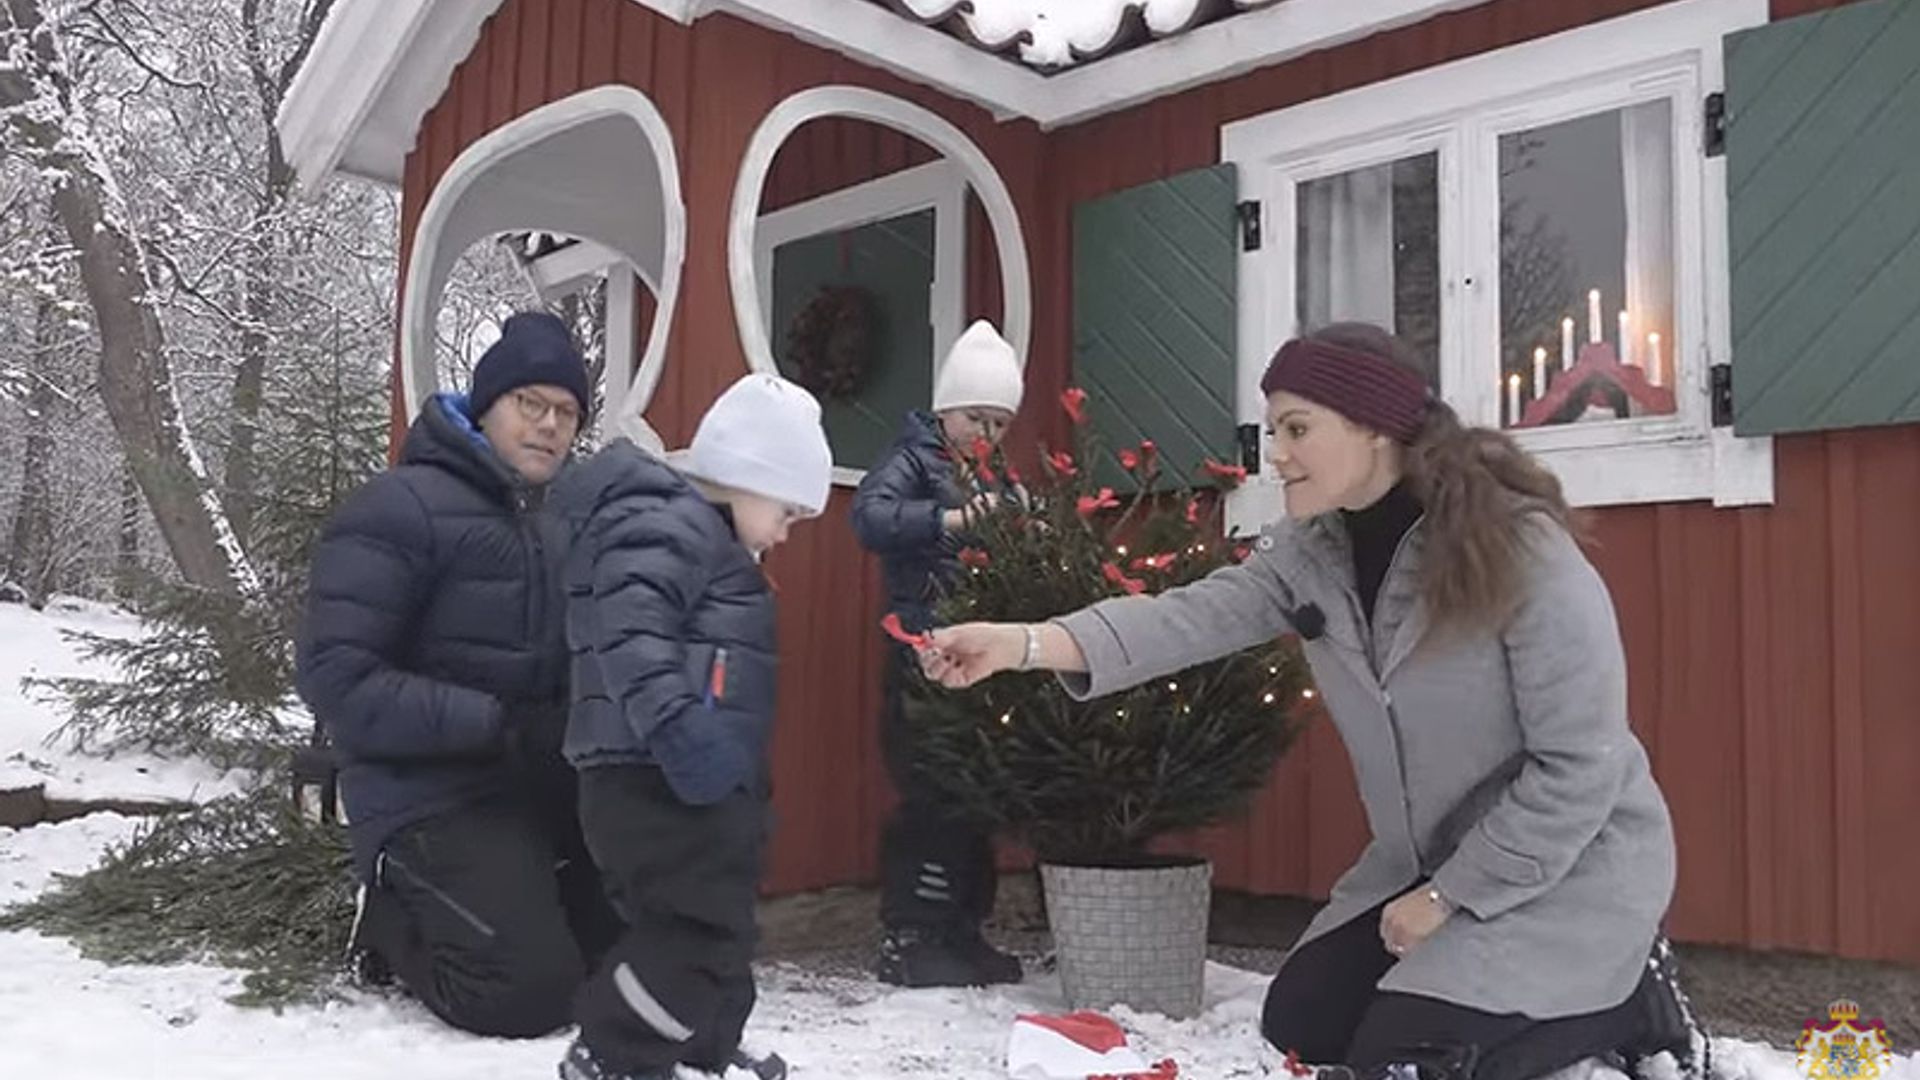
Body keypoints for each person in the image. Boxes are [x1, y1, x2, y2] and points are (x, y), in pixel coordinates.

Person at [918, 323, 1704, 1080]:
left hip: (1567, 870)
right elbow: (1182, 619)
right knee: (1304, 1021)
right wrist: (1018, 643)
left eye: (1297, 429)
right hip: (1426, 863)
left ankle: (1629, 998)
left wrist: (1448, 898)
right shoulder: (1312, 553)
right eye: (1273, 432)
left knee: (1408, 1058)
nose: (1277, 455)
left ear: (1375, 428)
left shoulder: (1519, 553)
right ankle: (1511, 987)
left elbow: (1580, 769)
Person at [296, 311, 620, 1037]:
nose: (549, 426)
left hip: (532, 787)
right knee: (528, 994)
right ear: (486, 405)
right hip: (426, 794)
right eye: (528, 405)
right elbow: (335, 675)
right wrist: (494, 723)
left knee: (633, 956)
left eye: (566, 412)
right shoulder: (399, 507)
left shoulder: (557, 526)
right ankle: (386, 921)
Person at [554, 372, 832, 1080]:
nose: (788, 531)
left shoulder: (703, 536)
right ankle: (613, 1052)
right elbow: (631, 634)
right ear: (745, 476)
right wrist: (678, 728)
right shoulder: (663, 523)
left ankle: (704, 1045)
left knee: (723, 921)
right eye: (789, 511)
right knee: (696, 928)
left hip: (692, 775)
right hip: (648, 772)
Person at [851, 320, 1027, 988]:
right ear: (946, 408)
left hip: (977, 653)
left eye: (1001, 423)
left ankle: (962, 927)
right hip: (920, 652)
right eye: (976, 417)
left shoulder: (989, 472)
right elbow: (869, 517)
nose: (987, 434)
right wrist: (950, 521)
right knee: (929, 790)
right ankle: (912, 933)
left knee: (972, 791)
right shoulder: (914, 458)